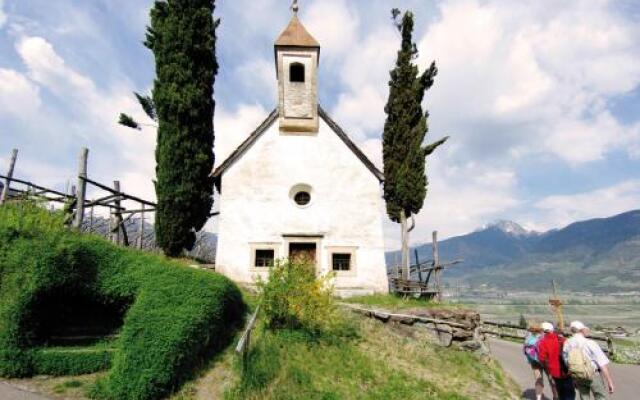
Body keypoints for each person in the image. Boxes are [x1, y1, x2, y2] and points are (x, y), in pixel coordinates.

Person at [563, 321, 615, 400]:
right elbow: (602, 363)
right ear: (582, 330)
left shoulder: (567, 343)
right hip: (592, 374)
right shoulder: (590, 343)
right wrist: (609, 381)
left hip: (578, 375)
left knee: (584, 397)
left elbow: (567, 362)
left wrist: (573, 378)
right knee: (600, 396)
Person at [538, 321, 574, 400]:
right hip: (567, 371)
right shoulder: (563, 339)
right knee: (569, 393)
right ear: (552, 330)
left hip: (554, 373)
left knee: (559, 393)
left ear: (543, 331)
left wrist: (548, 372)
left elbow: (542, 359)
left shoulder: (542, 343)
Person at [523, 322, 547, 400]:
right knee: (551, 380)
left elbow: (525, 348)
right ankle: (555, 397)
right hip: (544, 359)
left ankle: (539, 398)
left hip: (533, 360)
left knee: (538, 379)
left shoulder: (528, 336)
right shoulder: (543, 335)